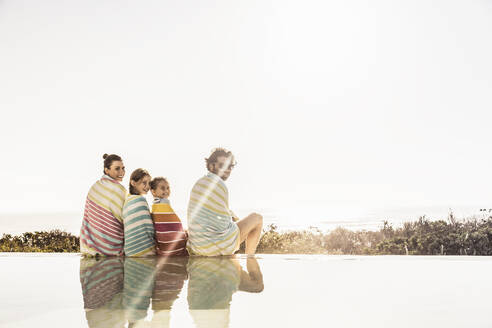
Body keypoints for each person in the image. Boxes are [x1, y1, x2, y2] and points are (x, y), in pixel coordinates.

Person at [187, 148, 263, 256]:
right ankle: (250, 258)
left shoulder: (199, 183)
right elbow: (223, 224)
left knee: (235, 223)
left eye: (229, 166)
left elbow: (212, 213)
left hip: (197, 247)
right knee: (257, 218)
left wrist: (233, 218)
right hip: (214, 248)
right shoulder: (220, 184)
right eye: (222, 166)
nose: (227, 170)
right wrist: (234, 222)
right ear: (211, 166)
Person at [80, 153, 126, 256]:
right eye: (117, 169)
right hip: (114, 247)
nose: (122, 172)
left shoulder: (94, 187)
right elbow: (126, 219)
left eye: (123, 168)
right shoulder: (120, 190)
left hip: (92, 246)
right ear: (107, 170)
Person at [150, 177, 188, 256]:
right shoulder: (163, 202)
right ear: (153, 191)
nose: (166, 191)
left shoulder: (154, 205)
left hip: (163, 246)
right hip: (172, 243)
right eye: (163, 188)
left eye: (168, 188)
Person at [122, 168, 156, 257]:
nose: (148, 187)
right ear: (133, 183)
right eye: (144, 183)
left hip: (130, 250)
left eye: (149, 183)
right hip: (144, 249)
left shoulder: (127, 201)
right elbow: (148, 227)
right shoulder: (140, 200)